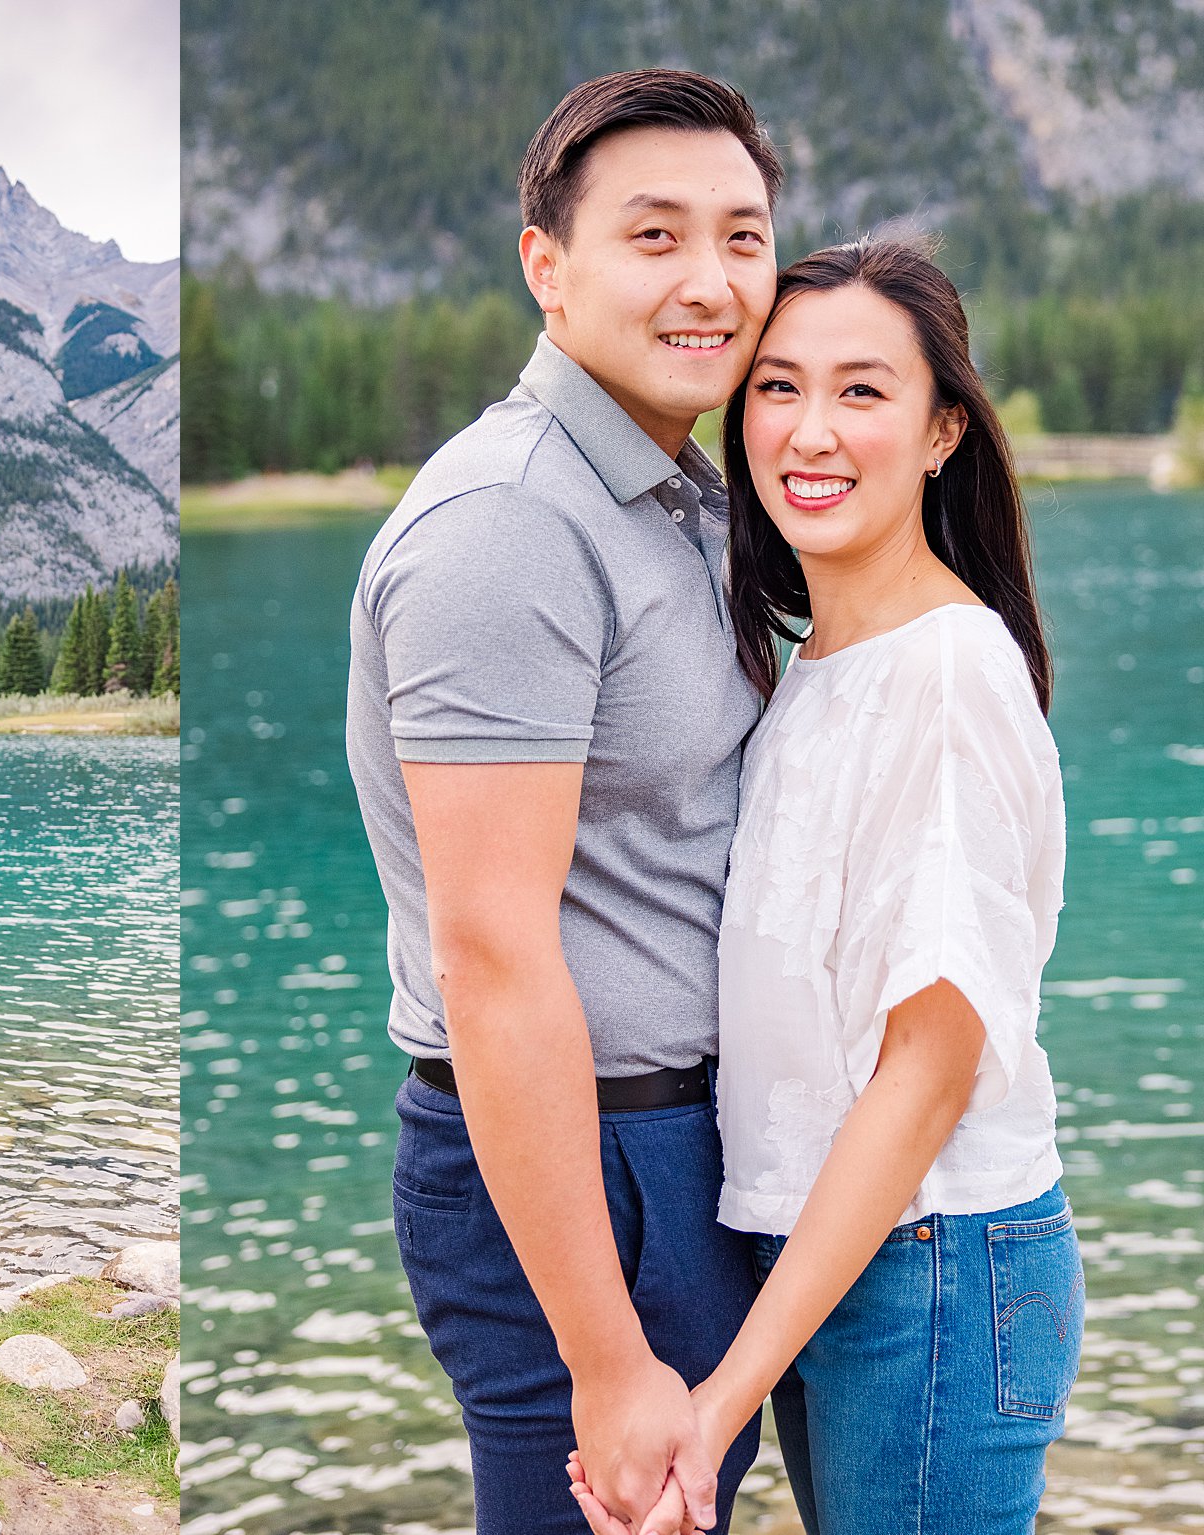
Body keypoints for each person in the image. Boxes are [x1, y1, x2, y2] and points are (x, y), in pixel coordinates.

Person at [571, 238, 1078, 1534]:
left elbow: (930, 1064)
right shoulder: (821, 664)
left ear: (942, 429)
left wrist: (723, 1390)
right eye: (778, 386)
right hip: (849, 1261)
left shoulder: (947, 673)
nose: (810, 429)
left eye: (863, 391)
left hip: (932, 1259)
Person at [344, 70, 781, 1532]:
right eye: (655, 237)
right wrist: (605, 1350)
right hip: (582, 1168)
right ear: (549, 267)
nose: (712, 281)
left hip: (676, 1146)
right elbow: (494, 954)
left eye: (743, 235)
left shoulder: (677, 492)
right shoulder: (513, 526)